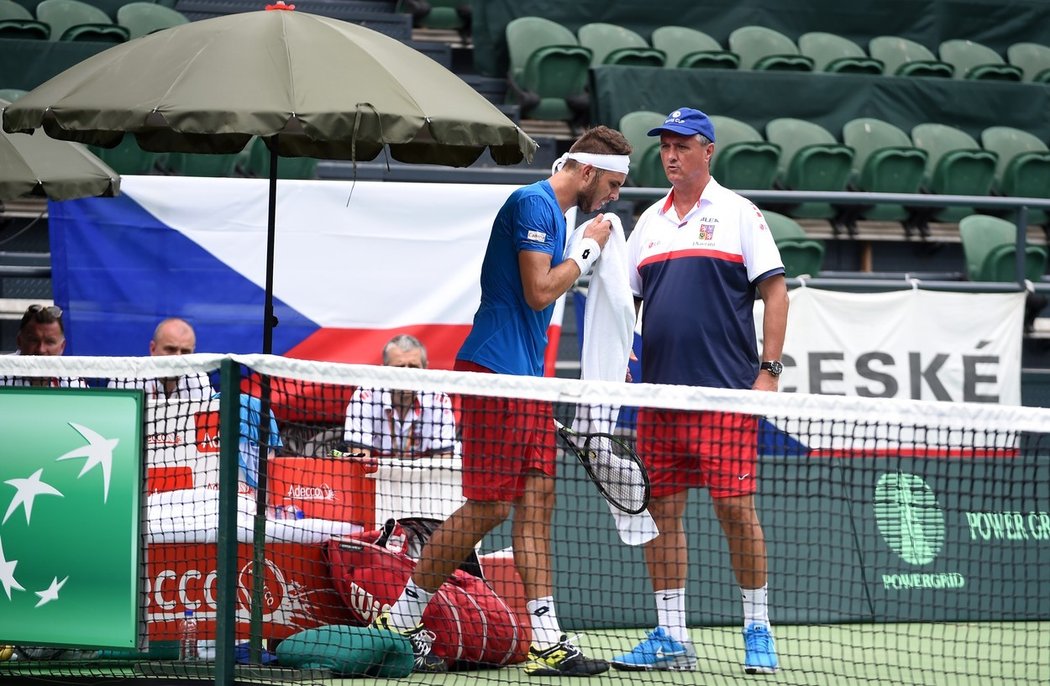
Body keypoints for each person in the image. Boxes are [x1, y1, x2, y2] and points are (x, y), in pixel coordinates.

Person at [372, 126, 632, 676]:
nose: (611, 197)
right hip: (493, 372)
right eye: (609, 184)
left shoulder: (557, 216)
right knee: (489, 505)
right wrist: (590, 250)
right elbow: (539, 290)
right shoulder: (532, 203)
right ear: (586, 172)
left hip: (527, 380)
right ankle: (399, 618)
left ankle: (546, 638)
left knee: (538, 502)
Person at [610, 108, 788, 675]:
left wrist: (770, 371)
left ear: (707, 150)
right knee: (662, 511)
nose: (670, 154)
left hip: (726, 397)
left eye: (682, 145)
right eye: (664, 145)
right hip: (659, 401)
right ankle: (670, 634)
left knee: (736, 511)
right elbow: (624, 305)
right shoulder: (648, 223)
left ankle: (757, 627)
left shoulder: (740, 214)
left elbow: (776, 294)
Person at [342, 334, 459, 469]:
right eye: (399, 367)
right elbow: (360, 462)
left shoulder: (439, 401)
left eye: (413, 367)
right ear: (384, 370)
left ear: (425, 369)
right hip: (375, 479)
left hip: (423, 481)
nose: (407, 374)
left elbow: (443, 463)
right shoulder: (364, 398)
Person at [107, 317, 213, 399]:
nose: (178, 358)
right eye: (170, 349)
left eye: (185, 351)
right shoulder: (124, 381)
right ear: (153, 349)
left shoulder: (200, 382)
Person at [1, 304, 86, 388]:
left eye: (50, 342)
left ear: (62, 347)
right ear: (19, 341)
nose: (41, 350)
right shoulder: (2, 373)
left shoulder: (74, 383)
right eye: (34, 340)